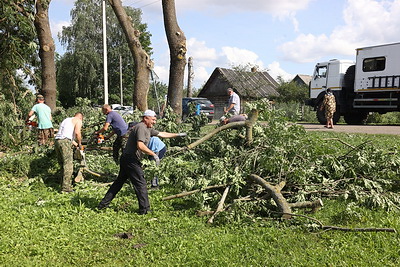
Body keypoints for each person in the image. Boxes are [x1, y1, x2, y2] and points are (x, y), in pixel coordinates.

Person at [97, 109, 187, 214]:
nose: (154, 122)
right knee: (141, 183)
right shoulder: (140, 128)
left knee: (118, 183)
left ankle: (102, 205)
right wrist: (153, 154)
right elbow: (140, 145)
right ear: (145, 118)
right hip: (131, 160)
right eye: (153, 119)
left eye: (155, 120)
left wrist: (178, 135)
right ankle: (144, 210)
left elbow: (162, 134)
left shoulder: (148, 128)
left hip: (127, 159)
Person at [54, 112, 84, 193]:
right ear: (81, 118)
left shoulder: (66, 120)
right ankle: (66, 188)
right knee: (68, 165)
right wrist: (80, 143)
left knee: (62, 164)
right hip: (65, 142)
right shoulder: (78, 120)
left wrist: (76, 144)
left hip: (57, 141)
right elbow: (77, 132)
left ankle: (62, 184)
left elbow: (66, 136)